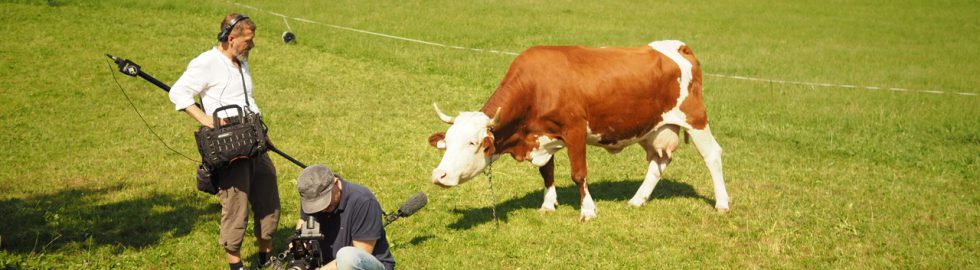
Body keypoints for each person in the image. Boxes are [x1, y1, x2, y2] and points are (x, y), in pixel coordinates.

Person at [168, 13, 280, 270]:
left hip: (253, 141)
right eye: (248, 40)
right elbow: (179, 92)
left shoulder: (241, 61)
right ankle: (236, 264)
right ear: (231, 38)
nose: (252, 45)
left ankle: (266, 256)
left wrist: (263, 134)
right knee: (236, 204)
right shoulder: (207, 62)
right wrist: (206, 120)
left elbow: (246, 99)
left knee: (268, 196)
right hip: (230, 147)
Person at [296, 164, 396, 270]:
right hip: (328, 264)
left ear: (336, 183)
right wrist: (299, 248)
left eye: (325, 202)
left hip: (364, 265)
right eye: (315, 206)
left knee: (346, 256)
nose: (322, 209)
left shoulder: (364, 202)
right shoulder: (312, 198)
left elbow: (358, 257)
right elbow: (302, 225)